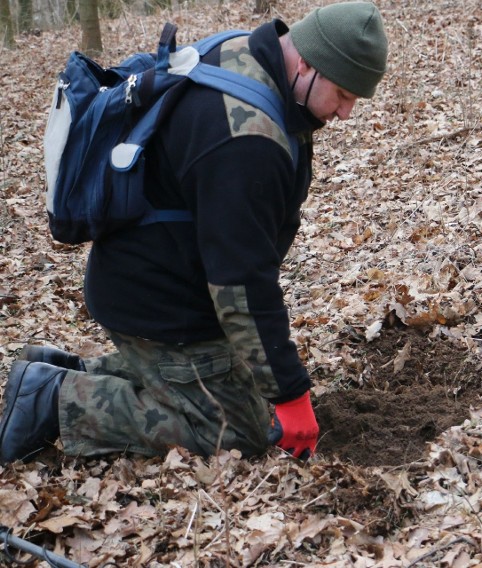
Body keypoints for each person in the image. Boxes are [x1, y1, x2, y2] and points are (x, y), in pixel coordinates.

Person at [0, 2, 388, 464]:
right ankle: (57, 399)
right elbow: (241, 281)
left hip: (157, 276)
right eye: (342, 94)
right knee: (238, 431)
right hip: (158, 303)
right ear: (305, 62)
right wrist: (291, 396)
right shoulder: (246, 140)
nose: (345, 114)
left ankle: (69, 372)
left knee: (247, 393)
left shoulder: (246, 51)